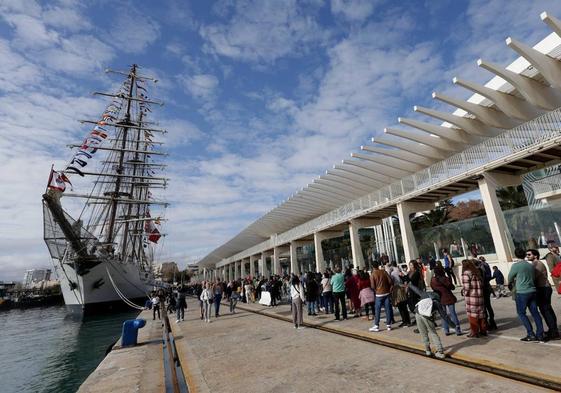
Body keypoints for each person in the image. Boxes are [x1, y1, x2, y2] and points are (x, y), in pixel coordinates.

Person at [508, 248, 545, 342]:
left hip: (522, 292)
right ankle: (540, 334)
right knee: (535, 313)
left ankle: (530, 334)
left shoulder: (516, 266)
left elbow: (510, 278)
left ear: (516, 255)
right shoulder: (530, 265)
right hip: (532, 290)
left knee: (521, 313)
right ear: (524, 255)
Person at [527, 249, 560, 340]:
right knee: (547, 309)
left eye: (529, 255)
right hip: (543, 288)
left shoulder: (537, 264)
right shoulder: (536, 264)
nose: (527, 256)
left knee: (546, 310)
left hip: (543, 289)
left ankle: (554, 332)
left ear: (535, 256)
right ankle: (553, 330)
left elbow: (533, 277)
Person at [431, 266, 462, 336]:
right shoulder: (445, 279)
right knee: (453, 313)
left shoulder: (433, 280)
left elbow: (433, 288)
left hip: (440, 298)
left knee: (443, 315)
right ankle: (457, 330)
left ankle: (446, 330)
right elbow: (452, 287)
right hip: (448, 297)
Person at [461, 259, 487, 338]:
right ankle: (483, 330)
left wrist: (464, 293)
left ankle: (474, 332)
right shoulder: (476, 272)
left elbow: (467, 287)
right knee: (481, 314)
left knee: (472, 315)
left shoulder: (466, 273)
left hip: (472, 297)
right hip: (480, 295)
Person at [369, 261, 393, 332]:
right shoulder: (384, 272)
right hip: (386, 292)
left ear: (372, 267)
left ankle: (376, 325)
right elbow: (390, 281)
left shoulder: (372, 274)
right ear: (378, 265)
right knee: (388, 309)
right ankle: (389, 325)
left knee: (377, 310)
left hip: (378, 294)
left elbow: (373, 286)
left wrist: (375, 290)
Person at [477, 256, 497, 331]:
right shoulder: (487, 265)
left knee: (484, 307)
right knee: (488, 305)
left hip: (483, 287)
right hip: (487, 286)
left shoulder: (480, 267)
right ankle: (492, 321)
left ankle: (487, 323)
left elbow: (483, 277)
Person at [389, 262, 410, 327]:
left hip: (397, 289)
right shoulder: (400, 270)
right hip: (403, 288)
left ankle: (404, 321)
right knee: (404, 306)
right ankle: (408, 321)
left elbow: (391, 282)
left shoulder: (393, 273)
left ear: (392, 266)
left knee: (400, 306)